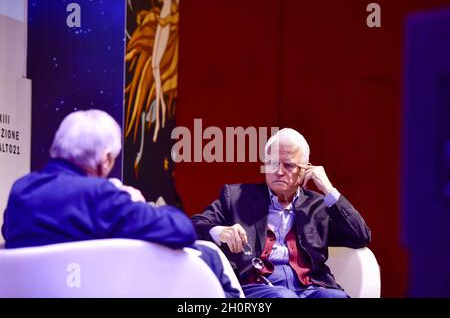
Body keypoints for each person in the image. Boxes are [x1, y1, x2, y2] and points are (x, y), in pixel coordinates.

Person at [1, 109, 240, 297]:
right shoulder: (100, 194)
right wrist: (136, 201)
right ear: (105, 159)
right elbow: (182, 230)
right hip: (98, 290)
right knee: (208, 259)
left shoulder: (21, 190)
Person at [191, 128, 371, 298]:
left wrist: (329, 189)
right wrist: (220, 231)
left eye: (289, 165)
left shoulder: (319, 205)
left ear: (305, 169)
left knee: (335, 296)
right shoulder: (237, 197)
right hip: (259, 287)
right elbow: (195, 225)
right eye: (272, 163)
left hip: (311, 288)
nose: (278, 172)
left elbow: (360, 236)